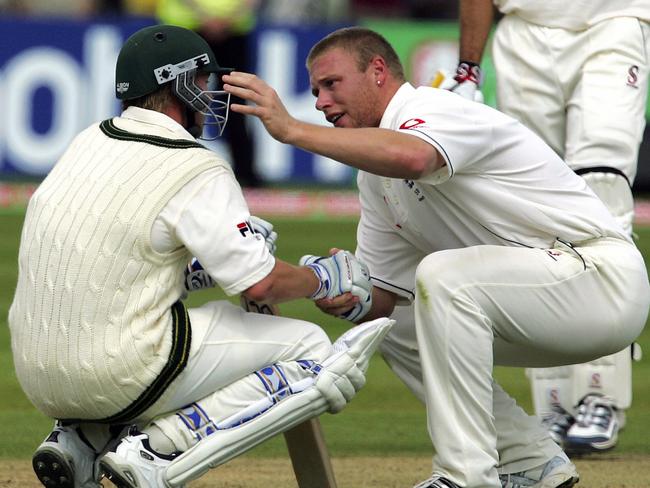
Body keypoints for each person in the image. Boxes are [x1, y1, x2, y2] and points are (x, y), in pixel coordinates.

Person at [221, 26, 650, 488]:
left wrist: (291, 130)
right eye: (315, 92)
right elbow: (383, 294)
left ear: (379, 71)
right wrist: (314, 282)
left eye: (331, 85)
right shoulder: (373, 177)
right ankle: (529, 462)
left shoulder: (434, 108)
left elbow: (415, 160)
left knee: (443, 276)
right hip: (538, 300)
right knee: (387, 325)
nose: (321, 102)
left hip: (600, 280)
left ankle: (466, 476)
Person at [8, 24, 391, 488]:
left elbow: (117, 256)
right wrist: (324, 277)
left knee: (165, 322)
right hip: (117, 370)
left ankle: (82, 440)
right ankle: (158, 449)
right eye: (205, 81)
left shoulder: (88, 140)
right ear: (181, 84)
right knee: (312, 349)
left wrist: (200, 270)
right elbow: (261, 284)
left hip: (34, 371)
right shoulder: (195, 164)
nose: (211, 93)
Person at [444, 0, 650, 454]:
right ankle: (554, 396)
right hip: (523, 31)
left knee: (602, 190)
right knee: (534, 212)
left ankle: (601, 391)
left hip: (612, 22)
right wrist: (468, 68)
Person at [157, 0, 264, 187]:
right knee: (178, 100)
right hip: (189, 26)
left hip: (220, 27)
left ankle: (245, 171)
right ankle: (173, 168)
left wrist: (212, 18)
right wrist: (219, 18)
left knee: (233, 102)